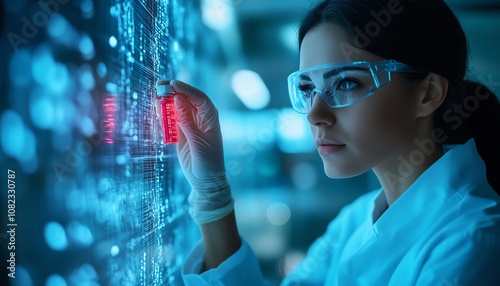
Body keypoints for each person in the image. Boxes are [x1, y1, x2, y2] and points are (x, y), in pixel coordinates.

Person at [159, 0, 500, 284]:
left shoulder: (471, 242)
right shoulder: (356, 218)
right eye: (307, 89)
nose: (315, 114)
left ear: (428, 94)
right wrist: (211, 191)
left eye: (347, 83)